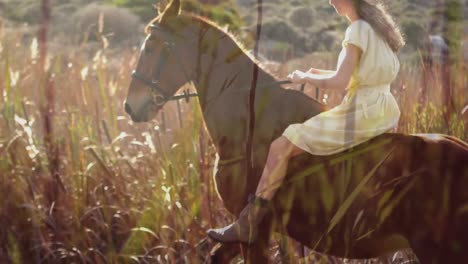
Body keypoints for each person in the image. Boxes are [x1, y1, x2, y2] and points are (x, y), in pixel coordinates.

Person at [207, 0, 406, 243]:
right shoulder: (377, 30)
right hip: (383, 111)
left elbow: (340, 81)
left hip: (359, 114)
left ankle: (249, 222)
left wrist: (307, 78)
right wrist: (310, 74)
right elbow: (354, 76)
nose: (331, 1)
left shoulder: (357, 30)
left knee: (282, 145)